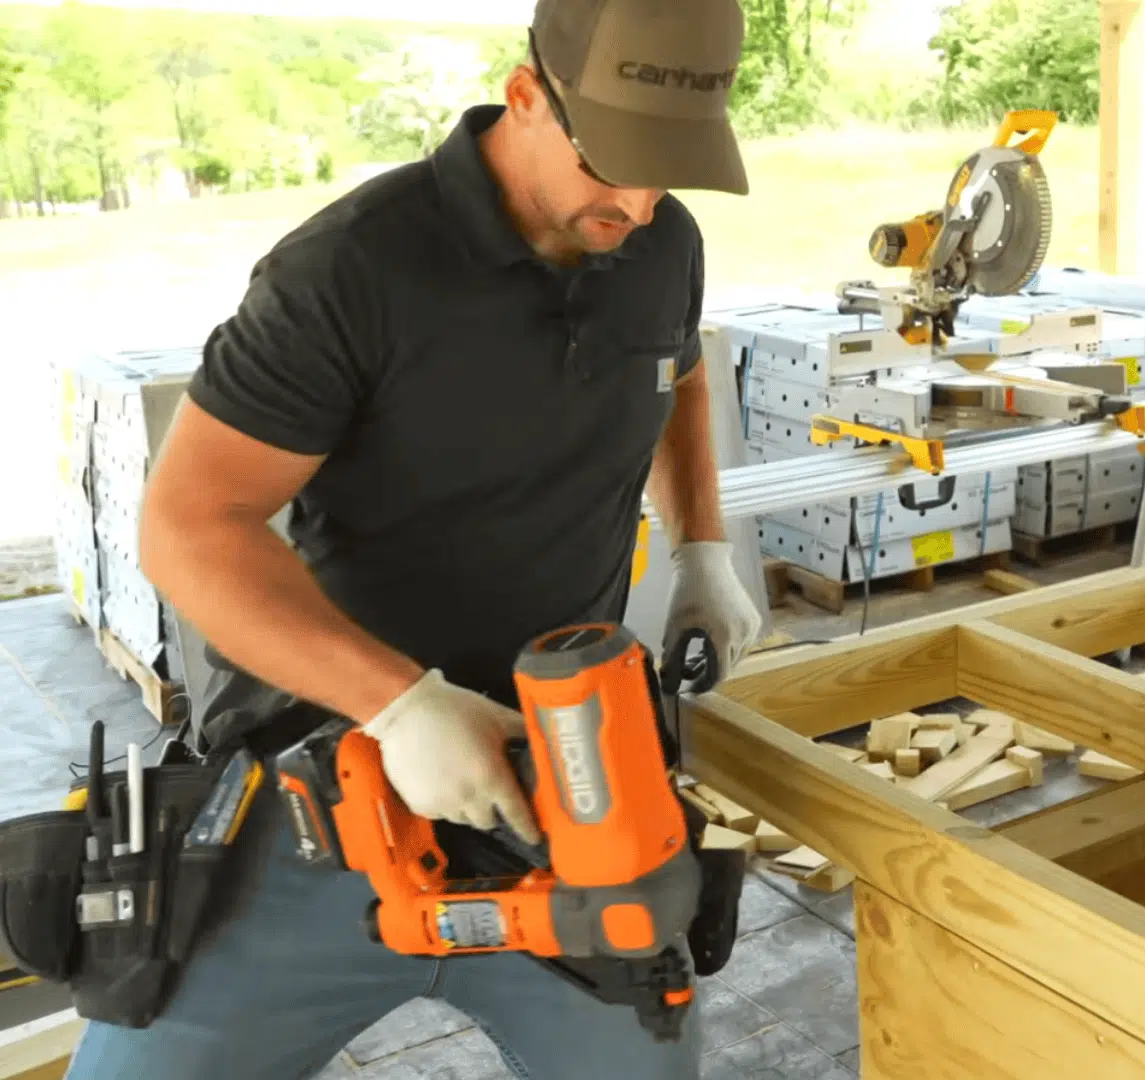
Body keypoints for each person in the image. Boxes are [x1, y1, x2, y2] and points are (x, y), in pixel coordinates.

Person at [65, 1, 760, 1077]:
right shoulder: (352, 270)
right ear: (527, 97)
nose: (636, 201)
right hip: (327, 796)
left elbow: (679, 370)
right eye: (612, 162)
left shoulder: (662, 243)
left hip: (572, 797)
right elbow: (188, 526)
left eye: (668, 171)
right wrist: (401, 704)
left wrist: (705, 548)